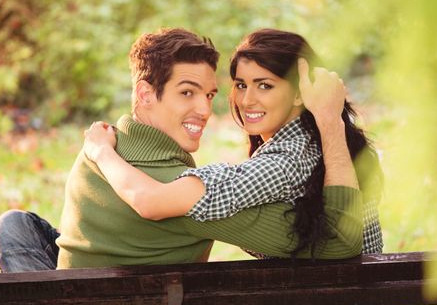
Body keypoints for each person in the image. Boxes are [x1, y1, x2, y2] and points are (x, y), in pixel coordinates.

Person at [0, 28, 366, 275]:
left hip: (78, 301)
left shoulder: (99, 146)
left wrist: (103, 153)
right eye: (187, 92)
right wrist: (329, 121)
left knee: (15, 224)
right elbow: (338, 244)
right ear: (145, 94)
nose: (204, 110)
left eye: (209, 95)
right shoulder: (185, 197)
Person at [84, 29, 383, 257]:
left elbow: (150, 201)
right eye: (241, 85)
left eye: (264, 85)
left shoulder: (285, 160)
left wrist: (101, 151)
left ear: (298, 95)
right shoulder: (321, 145)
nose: (247, 99)